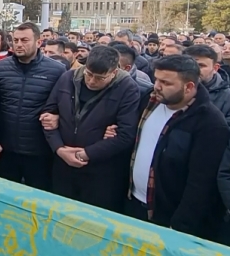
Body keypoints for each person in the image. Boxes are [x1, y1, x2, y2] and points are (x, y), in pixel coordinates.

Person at [128, 55, 229, 241]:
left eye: (165, 82)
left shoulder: (210, 124)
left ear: (189, 87)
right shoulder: (149, 101)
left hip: (169, 221)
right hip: (134, 206)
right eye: (156, 78)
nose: (156, 86)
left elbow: (200, 184)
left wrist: (179, 226)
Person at [43, 45, 140, 212]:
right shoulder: (68, 78)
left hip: (101, 173)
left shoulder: (127, 88)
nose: (92, 81)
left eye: (100, 78)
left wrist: (85, 154)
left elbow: (125, 135)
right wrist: (59, 149)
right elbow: (48, 115)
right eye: (89, 74)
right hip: (63, 166)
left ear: (114, 73)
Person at [0, 22, 66, 191]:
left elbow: (64, 107)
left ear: (38, 43)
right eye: (15, 40)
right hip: (6, 150)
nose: (18, 44)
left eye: (24, 40)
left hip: (39, 151)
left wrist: (57, 117)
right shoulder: (2, 67)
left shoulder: (57, 70)